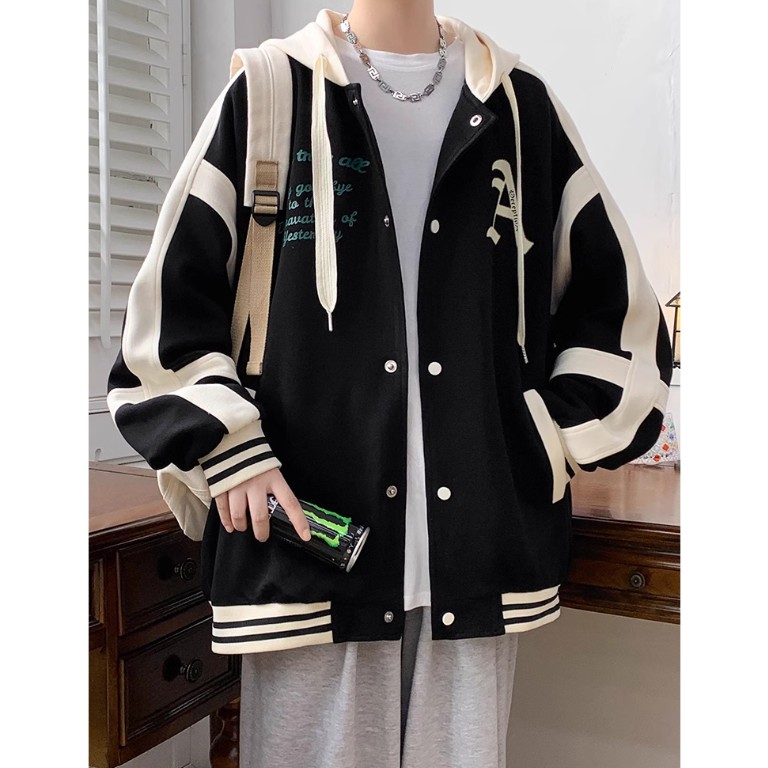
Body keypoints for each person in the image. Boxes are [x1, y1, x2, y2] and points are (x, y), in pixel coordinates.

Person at [107, 3, 673, 766]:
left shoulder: (518, 107)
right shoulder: (271, 92)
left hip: (475, 558)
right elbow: (164, 321)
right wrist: (228, 446)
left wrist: (539, 440)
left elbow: (624, 319)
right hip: (310, 550)